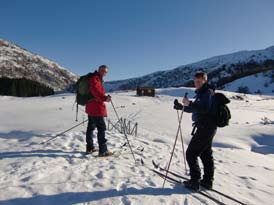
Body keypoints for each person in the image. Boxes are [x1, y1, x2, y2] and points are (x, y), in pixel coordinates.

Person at [174, 71, 217, 191]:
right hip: (207, 127)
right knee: (205, 154)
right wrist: (181, 107)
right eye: (195, 81)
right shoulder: (203, 92)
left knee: (191, 154)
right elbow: (196, 109)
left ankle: (195, 181)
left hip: (205, 127)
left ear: (205, 81)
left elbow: (204, 109)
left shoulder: (207, 93)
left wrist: (189, 103)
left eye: (199, 81)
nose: (196, 83)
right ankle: (208, 181)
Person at [85, 65, 113, 157]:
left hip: (91, 108)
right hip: (96, 108)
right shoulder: (95, 79)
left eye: (106, 72)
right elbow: (96, 92)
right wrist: (105, 98)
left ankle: (90, 148)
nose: (104, 73)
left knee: (91, 128)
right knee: (101, 129)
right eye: (103, 71)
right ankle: (103, 151)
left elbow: (96, 92)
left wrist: (104, 97)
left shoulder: (96, 78)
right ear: (99, 70)